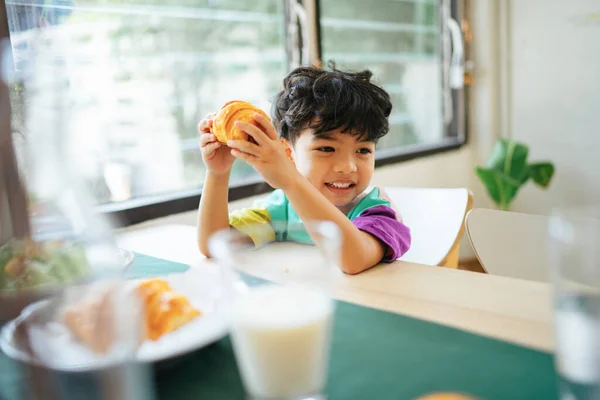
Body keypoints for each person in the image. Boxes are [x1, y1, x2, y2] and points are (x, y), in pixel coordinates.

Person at [197, 65, 411, 274]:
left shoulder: (378, 213)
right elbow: (213, 245)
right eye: (327, 148)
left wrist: (291, 181)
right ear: (288, 153)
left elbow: (354, 260)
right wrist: (218, 174)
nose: (348, 166)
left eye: (363, 150)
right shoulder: (282, 209)